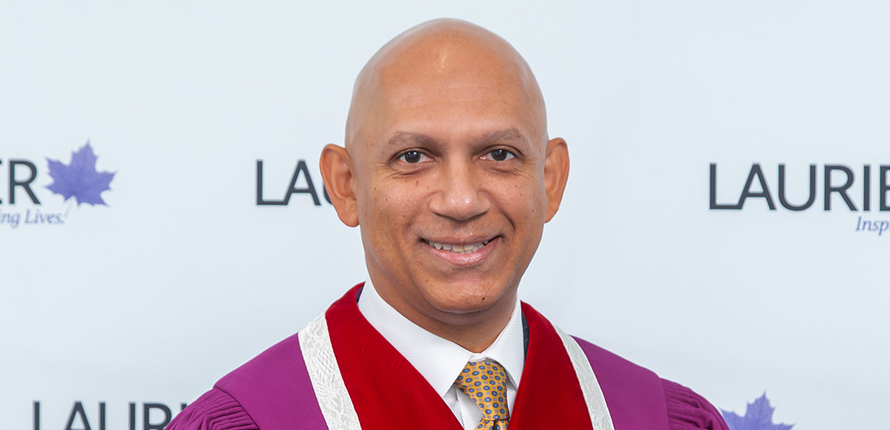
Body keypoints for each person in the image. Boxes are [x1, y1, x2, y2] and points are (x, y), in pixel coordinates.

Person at [168, 18, 729, 430]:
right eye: (413, 157)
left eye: (500, 154)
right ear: (346, 186)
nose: (461, 200)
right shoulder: (258, 419)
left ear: (550, 179)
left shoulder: (649, 417)